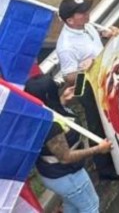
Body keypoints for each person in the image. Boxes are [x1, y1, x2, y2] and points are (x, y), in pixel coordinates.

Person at [54, 0, 119, 181]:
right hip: (87, 87)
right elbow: (69, 78)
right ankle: (105, 167)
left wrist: (106, 35)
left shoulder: (86, 25)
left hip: (104, 79)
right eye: (82, 12)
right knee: (97, 124)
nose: (87, 13)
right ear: (70, 20)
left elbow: (94, 41)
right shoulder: (66, 46)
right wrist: (84, 70)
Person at [25, 73, 112, 213]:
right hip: (67, 175)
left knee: (72, 205)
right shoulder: (51, 126)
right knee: (91, 206)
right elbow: (66, 157)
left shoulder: (38, 113)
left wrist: (63, 99)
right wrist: (98, 149)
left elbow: (54, 113)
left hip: (54, 174)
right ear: (49, 96)